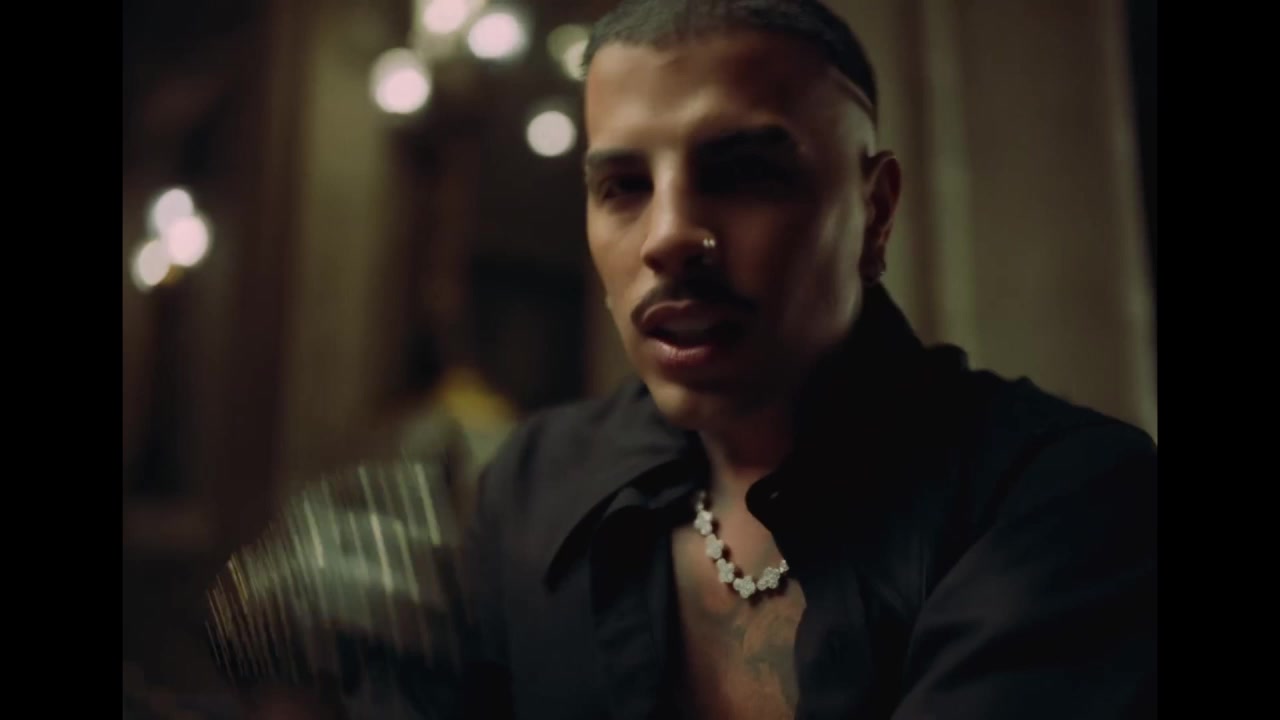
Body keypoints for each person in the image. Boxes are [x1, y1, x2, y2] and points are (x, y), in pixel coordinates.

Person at [461, 1, 1157, 719]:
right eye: (625, 186)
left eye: (744, 173)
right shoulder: (533, 483)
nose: (666, 238)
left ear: (874, 212)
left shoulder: (1062, 499)